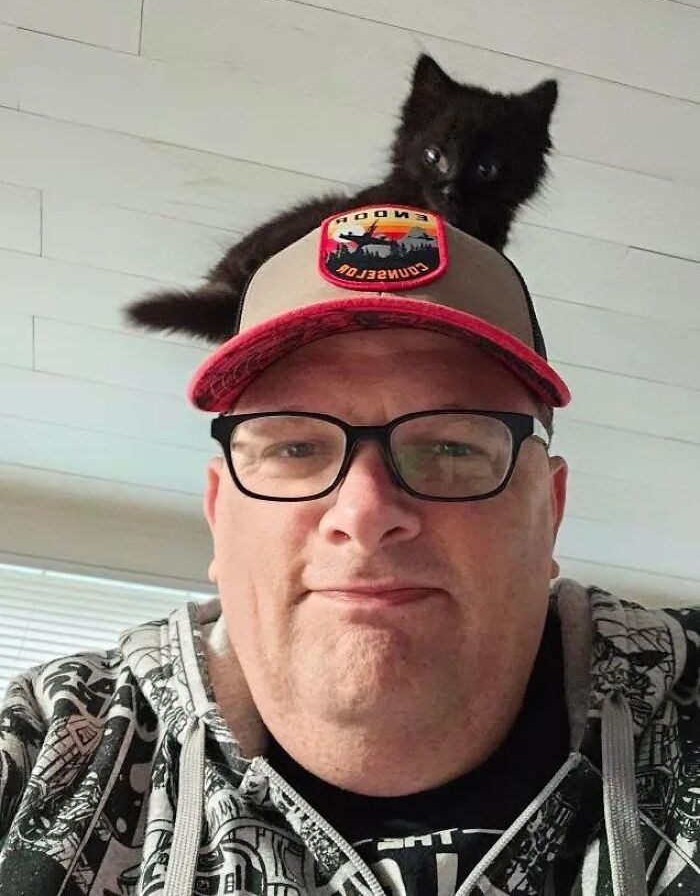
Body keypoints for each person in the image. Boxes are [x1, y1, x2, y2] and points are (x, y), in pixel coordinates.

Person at [0, 204, 698, 896]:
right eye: (295, 447)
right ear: (219, 513)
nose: (365, 514)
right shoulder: (49, 750)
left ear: (550, 511)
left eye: (453, 446)